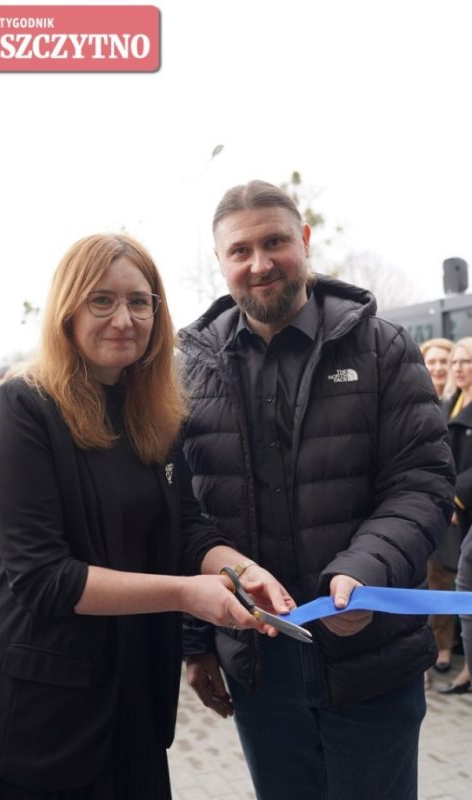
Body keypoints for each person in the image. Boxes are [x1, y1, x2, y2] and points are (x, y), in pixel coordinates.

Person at [0, 232, 292, 800]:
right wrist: (186, 594)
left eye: (139, 301)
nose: (123, 319)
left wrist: (238, 568)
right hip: (36, 718)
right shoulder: (24, 407)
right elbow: (43, 577)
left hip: (131, 701)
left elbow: (186, 527)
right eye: (102, 300)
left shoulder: (153, 411)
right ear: (68, 310)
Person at [178, 180, 455, 800]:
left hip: (371, 660)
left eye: (274, 242)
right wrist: (196, 644)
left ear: (304, 241)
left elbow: (420, 483)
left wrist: (365, 569)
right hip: (259, 669)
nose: (260, 264)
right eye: (240, 250)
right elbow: (186, 515)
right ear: (220, 260)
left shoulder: (383, 348)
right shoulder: (190, 371)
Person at [419, 338, 459, 676]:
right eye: (432, 362)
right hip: (431, 505)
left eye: (445, 361)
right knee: (437, 578)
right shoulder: (414, 399)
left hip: (457, 503)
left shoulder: (457, 402)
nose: (440, 368)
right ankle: (441, 645)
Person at [437, 337, 472, 694]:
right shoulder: (449, 403)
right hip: (455, 514)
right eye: (456, 362)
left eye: (467, 361)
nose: (459, 368)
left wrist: (454, 495)